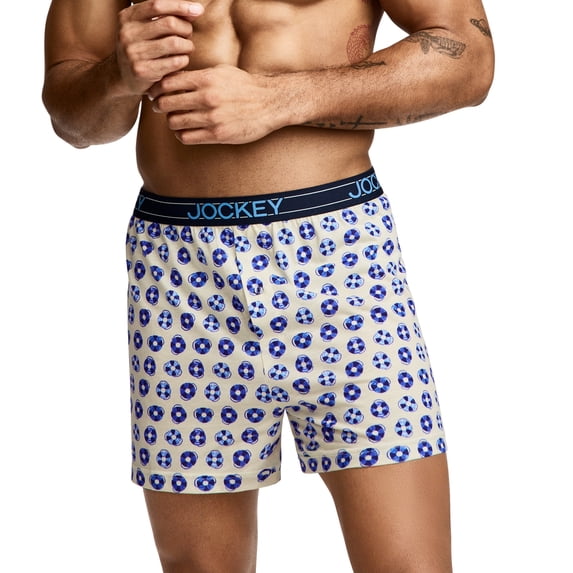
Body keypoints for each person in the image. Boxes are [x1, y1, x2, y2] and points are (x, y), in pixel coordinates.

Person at [43, 0, 494, 571]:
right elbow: (73, 119)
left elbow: (469, 59)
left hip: (341, 257)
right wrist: (118, 75)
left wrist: (277, 99)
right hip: (180, 272)